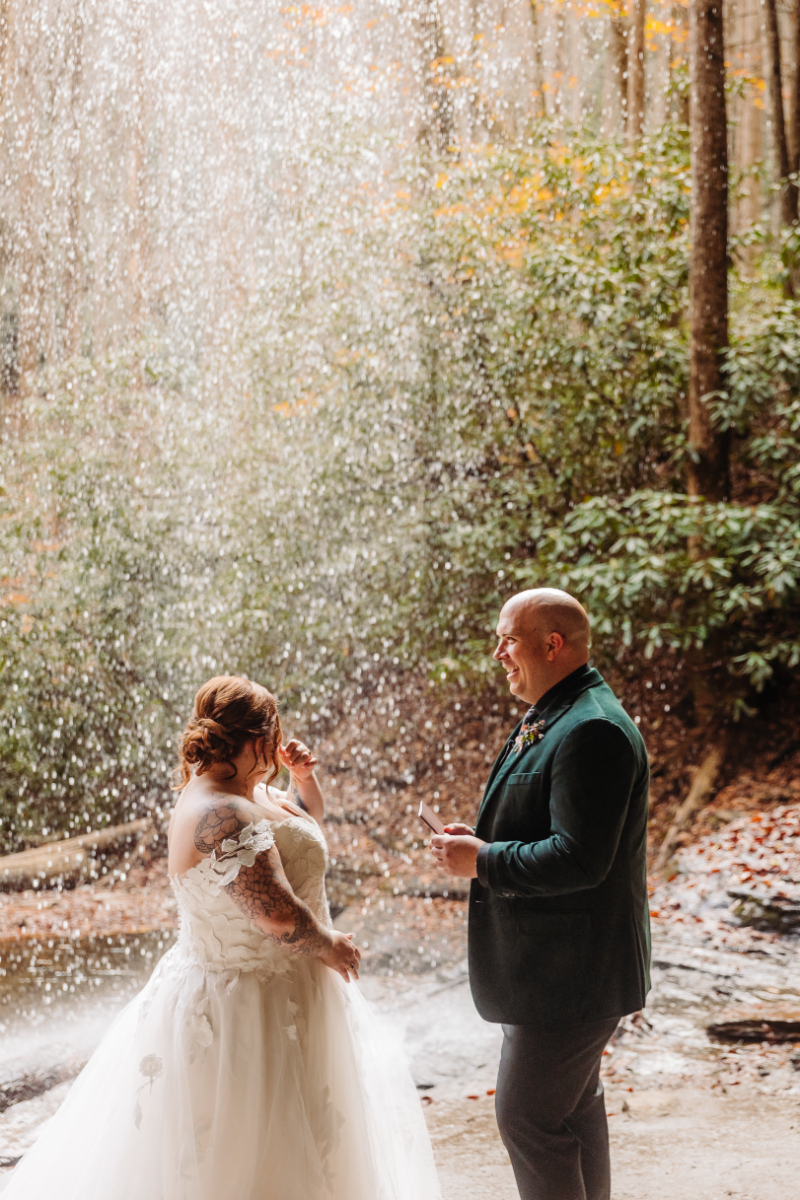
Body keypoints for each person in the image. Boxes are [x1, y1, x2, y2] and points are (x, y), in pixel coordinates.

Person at [6, 675, 441, 1200]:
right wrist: (331, 945)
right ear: (260, 736)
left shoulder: (242, 791)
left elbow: (298, 834)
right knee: (247, 1155)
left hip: (280, 992)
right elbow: (276, 916)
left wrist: (303, 782)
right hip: (246, 1008)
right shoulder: (221, 812)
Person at [431, 588, 650, 1200]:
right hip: (558, 970)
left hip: (570, 976)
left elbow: (581, 858)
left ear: (552, 645)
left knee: (525, 1117)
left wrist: (482, 861)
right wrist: (485, 839)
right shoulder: (558, 710)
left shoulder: (592, 729)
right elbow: (556, 828)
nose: (498, 652)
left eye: (508, 639)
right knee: (573, 1113)